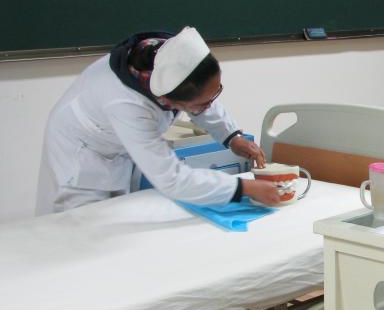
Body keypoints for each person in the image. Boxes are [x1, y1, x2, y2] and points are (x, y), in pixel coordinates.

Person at [35, 26, 281, 215]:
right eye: (201, 105)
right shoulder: (126, 103)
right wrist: (243, 188)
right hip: (80, 156)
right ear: (166, 100)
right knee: (81, 229)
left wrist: (232, 137)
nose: (209, 105)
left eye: (216, 93)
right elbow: (171, 179)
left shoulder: (173, 59)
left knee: (115, 217)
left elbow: (202, 98)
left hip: (114, 149)